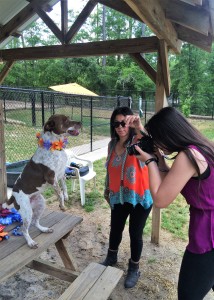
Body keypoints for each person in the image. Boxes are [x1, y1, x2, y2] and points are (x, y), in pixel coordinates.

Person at [133, 106, 214, 299]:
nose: (158, 145)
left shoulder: (188, 156)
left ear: (168, 134)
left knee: (188, 295)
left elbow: (161, 200)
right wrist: (157, 156)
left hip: (207, 236)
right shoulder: (201, 147)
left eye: (158, 139)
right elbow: (173, 179)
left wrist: (150, 161)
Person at [102, 106, 153, 289]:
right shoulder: (111, 144)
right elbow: (110, 169)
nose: (120, 126)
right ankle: (111, 257)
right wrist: (107, 188)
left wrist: (139, 126)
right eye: (116, 123)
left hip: (139, 197)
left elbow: (151, 144)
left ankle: (133, 268)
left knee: (135, 233)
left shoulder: (138, 141)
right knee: (115, 228)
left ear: (129, 124)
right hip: (119, 196)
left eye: (124, 122)